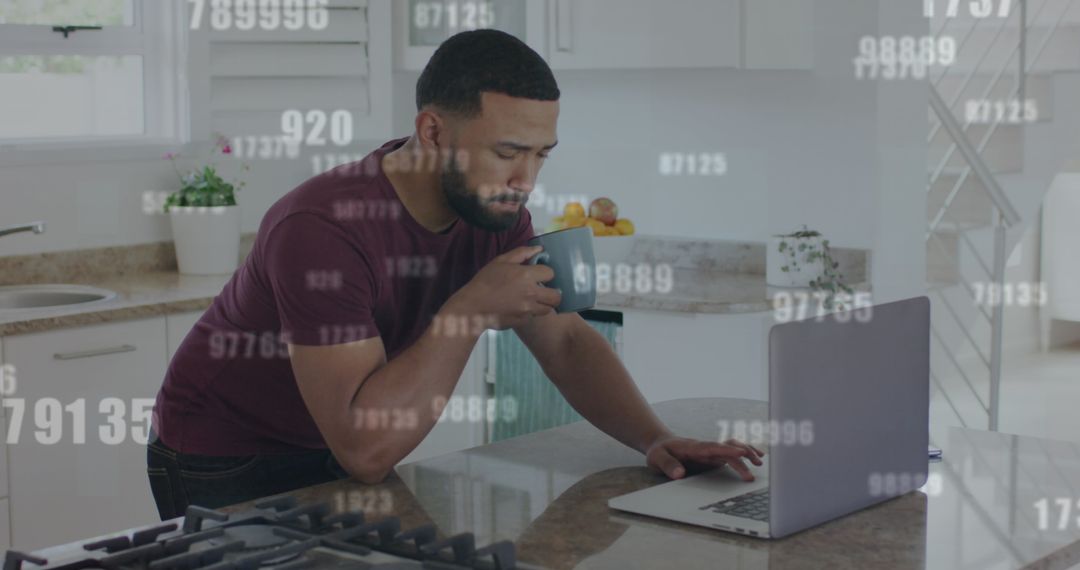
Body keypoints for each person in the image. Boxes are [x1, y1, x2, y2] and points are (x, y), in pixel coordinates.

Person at [146, 29, 763, 520]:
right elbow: (364, 450)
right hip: (225, 455)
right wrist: (467, 312)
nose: (527, 181)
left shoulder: (494, 208)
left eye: (540, 154)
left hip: (337, 442)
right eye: (506, 152)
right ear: (433, 131)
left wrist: (654, 439)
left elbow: (567, 339)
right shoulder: (321, 229)